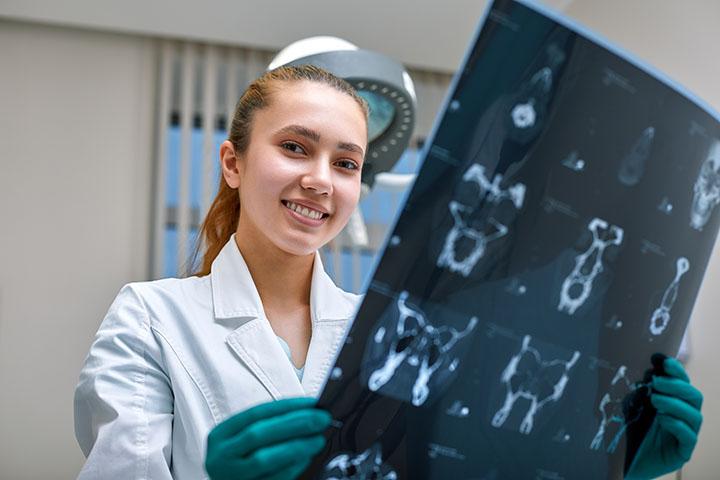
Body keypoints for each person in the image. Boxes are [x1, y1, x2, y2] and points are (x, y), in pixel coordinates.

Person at [74, 65, 703, 480]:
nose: (320, 179)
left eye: (345, 163)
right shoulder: (151, 317)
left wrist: (613, 467)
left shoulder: (387, 328)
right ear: (232, 164)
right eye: (295, 147)